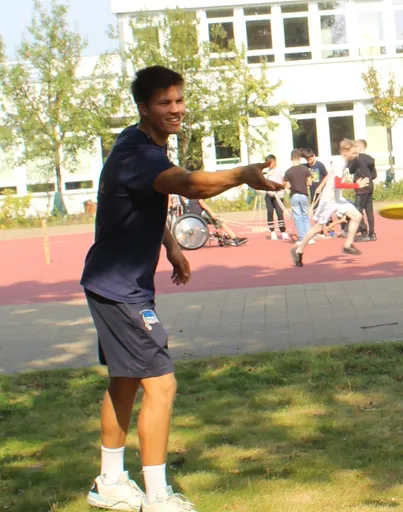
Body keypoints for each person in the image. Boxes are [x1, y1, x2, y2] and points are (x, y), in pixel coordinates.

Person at [79, 65, 283, 512]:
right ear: (143, 107)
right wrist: (242, 174)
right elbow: (188, 184)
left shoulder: (137, 143)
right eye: (164, 103)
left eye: (179, 101)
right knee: (162, 385)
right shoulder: (140, 155)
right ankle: (157, 496)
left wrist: (169, 244)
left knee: (125, 383)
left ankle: (109, 481)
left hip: (111, 283)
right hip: (120, 291)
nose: (175, 110)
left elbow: (140, 203)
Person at [290, 139, 370, 266]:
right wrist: (356, 185)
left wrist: (321, 185)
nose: (355, 156)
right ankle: (298, 250)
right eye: (354, 153)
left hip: (337, 199)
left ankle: (348, 245)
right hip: (328, 200)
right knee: (318, 228)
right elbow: (337, 183)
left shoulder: (343, 162)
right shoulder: (339, 163)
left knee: (357, 216)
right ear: (345, 152)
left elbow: (329, 177)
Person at [183, 196, 248, 247]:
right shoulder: (197, 193)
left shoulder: (185, 196)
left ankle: (225, 236)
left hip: (192, 217)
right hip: (201, 214)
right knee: (220, 223)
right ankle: (235, 239)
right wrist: (212, 213)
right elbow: (202, 204)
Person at [283, 149, 314, 246]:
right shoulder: (305, 169)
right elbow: (310, 182)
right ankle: (309, 238)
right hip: (304, 194)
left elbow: (287, 186)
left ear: (291, 158)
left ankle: (302, 238)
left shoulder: (288, 171)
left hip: (294, 195)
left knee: (298, 217)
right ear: (300, 158)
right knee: (305, 216)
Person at [351, 139, 377, 242]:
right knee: (369, 211)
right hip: (370, 186)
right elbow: (374, 175)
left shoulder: (357, 160)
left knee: (358, 210)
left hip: (361, 187)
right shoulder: (370, 159)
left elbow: (351, 170)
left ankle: (364, 232)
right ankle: (372, 233)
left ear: (359, 147)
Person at [263, 154, 289, 240]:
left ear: (274, 162)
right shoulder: (268, 172)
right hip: (269, 195)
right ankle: (272, 231)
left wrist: (278, 188)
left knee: (279, 213)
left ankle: (283, 231)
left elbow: (284, 182)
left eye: (269, 163)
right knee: (270, 212)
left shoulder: (280, 170)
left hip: (278, 195)